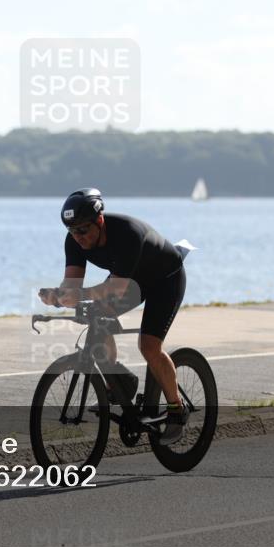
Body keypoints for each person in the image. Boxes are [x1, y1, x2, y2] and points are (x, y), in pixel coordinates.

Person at [38, 188, 189, 445]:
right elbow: (72, 285)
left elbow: (116, 289)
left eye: (83, 230)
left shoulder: (127, 234)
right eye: (72, 231)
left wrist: (79, 294)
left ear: (99, 221)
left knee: (149, 346)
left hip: (165, 279)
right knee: (96, 313)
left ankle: (177, 409)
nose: (78, 238)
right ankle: (120, 382)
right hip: (132, 278)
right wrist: (57, 296)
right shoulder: (74, 240)